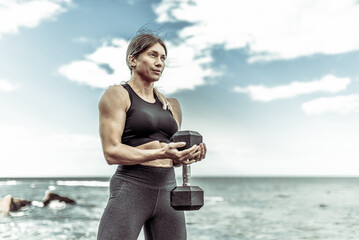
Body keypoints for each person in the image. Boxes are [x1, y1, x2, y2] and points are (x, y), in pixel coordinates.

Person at [96, 32, 207, 240]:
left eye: (163, 58)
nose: (159, 63)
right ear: (133, 59)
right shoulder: (118, 95)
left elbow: (172, 159)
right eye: (153, 55)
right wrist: (161, 152)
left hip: (168, 190)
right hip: (132, 186)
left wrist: (187, 156)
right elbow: (111, 152)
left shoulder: (172, 105)